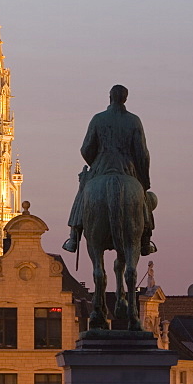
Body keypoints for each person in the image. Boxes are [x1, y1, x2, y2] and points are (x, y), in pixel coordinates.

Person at [62, 85, 156, 256]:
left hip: (101, 167)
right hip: (127, 170)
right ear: (125, 99)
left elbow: (86, 149)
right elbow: (143, 153)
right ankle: (145, 240)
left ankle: (73, 237)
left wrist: (96, 163)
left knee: (82, 195)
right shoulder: (134, 121)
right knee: (143, 200)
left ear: (110, 97)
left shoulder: (98, 119)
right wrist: (144, 179)